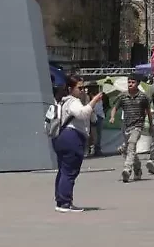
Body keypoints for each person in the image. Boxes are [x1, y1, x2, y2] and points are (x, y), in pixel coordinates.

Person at [53, 75, 104, 212]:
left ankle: (61, 200)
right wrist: (94, 101)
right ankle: (65, 203)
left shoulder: (63, 101)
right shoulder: (73, 102)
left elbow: (92, 118)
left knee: (63, 170)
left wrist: (88, 102)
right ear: (70, 88)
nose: (83, 90)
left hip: (61, 137)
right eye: (80, 88)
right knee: (70, 171)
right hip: (72, 137)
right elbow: (82, 114)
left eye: (84, 88)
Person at [110, 76, 152, 182]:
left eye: (133, 82)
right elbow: (115, 108)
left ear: (137, 83)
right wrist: (112, 117)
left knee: (132, 144)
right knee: (129, 149)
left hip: (138, 126)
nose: (130, 84)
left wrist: (151, 125)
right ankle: (138, 169)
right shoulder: (123, 96)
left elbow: (148, 111)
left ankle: (127, 169)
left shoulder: (143, 97)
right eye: (129, 82)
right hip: (126, 126)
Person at [87, 85, 104, 157]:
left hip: (99, 116)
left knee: (98, 134)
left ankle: (97, 149)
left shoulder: (100, 96)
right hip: (91, 116)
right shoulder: (88, 97)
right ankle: (91, 149)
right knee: (91, 134)